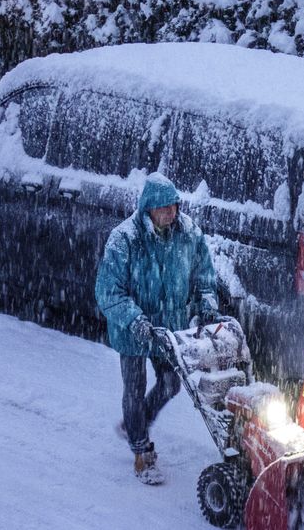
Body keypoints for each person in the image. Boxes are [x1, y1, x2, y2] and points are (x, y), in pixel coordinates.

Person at [95, 172, 219, 485]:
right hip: (133, 328)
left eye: (174, 206)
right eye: (163, 208)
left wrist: (206, 303)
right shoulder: (124, 239)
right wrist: (135, 319)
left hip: (169, 328)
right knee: (134, 390)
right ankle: (141, 451)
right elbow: (108, 290)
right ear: (148, 208)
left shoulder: (188, 233)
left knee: (171, 384)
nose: (170, 213)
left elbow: (204, 273)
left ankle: (135, 424)